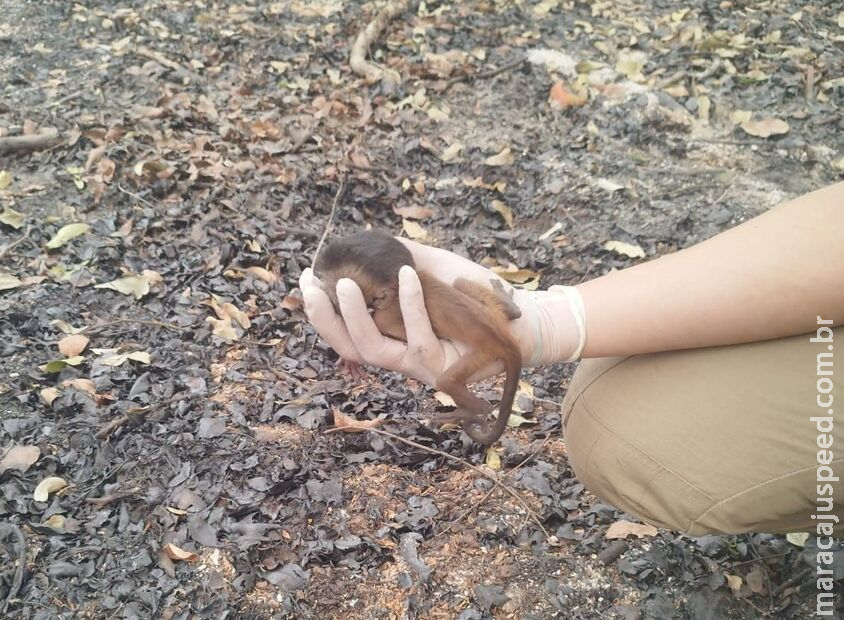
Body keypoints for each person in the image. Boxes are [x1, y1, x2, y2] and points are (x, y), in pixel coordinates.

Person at [299, 180, 843, 536]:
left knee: (465, 381)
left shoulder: (400, 303)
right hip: (500, 321)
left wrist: (467, 397)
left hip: (488, 345)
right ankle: (508, 339)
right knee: (601, 390)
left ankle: (474, 410)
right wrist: (550, 321)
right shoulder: (418, 288)